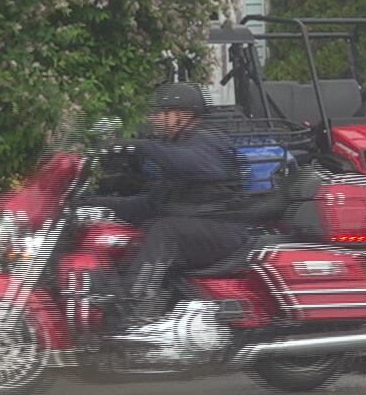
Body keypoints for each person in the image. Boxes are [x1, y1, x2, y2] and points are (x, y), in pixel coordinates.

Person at [98, 84, 260, 344]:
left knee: (165, 231)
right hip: (202, 228)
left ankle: (132, 309)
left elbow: (198, 166)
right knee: (143, 228)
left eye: (161, 113)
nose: (154, 119)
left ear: (181, 115)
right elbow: (150, 206)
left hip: (226, 230)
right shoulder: (176, 146)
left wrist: (142, 147)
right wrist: (96, 204)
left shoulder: (207, 139)